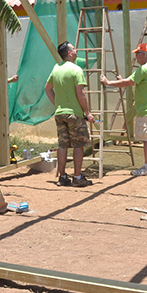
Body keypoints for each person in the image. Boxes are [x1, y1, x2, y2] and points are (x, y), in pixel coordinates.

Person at [100, 42, 147, 176]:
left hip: (146, 110)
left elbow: (128, 82)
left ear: (145, 55)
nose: (136, 56)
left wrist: (108, 82)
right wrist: (123, 80)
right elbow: (134, 81)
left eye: (138, 53)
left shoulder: (143, 69)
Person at [45, 41, 95, 187]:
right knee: (78, 145)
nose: (76, 50)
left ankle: (62, 177)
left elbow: (47, 89)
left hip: (60, 114)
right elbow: (81, 93)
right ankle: (78, 177)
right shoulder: (76, 69)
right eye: (73, 48)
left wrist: (57, 104)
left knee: (63, 145)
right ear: (69, 53)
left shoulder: (56, 68)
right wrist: (87, 112)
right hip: (74, 114)